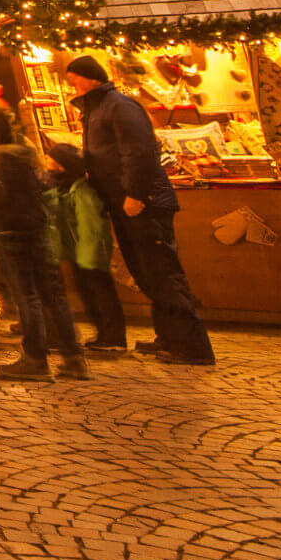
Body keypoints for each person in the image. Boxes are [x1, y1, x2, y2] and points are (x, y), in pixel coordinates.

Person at [64, 55, 215, 366]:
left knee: (162, 271)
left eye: (73, 79)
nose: (71, 86)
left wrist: (137, 194)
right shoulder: (96, 109)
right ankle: (170, 336)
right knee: (146, 272)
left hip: (143, 204)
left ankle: (192, 345)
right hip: (124, 203)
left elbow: (139, 151)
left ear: (88, 77)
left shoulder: (119, 106)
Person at [0, 108, 88, 381]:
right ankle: (74, 358)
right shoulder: (28, 158)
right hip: (38, 229)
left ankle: (35, 359)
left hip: (10, 232)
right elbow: (45, 189)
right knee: (54, 294)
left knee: (27, 296)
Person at [47, 141, 127, 352]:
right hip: (78, 253)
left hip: (88, 254)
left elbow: (91, 226)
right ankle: (105, 334)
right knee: (88, 293)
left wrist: (88, 256)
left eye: (50, 158)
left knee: (99, 292)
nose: (46, 161)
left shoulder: (82, 191)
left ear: (61, 165)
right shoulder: (63, 187)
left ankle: (113, 336)